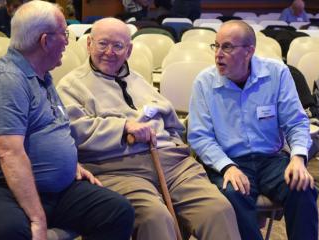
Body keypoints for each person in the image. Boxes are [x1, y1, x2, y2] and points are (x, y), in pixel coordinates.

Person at [57, 17, 241, 240]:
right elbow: (75, 131)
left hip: (172, 163)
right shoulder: (71, 85)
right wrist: (124, 127)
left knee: (217, 209)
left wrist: (171, 139)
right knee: (156, 218)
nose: (110, 52)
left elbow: (172, 121)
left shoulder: (139, 80)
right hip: (118, 168)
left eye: (118, 46)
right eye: (102, 44)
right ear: (89, 44)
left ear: (129, 50)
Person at [0, 2, 134, 240]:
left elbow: (51, 129)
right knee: (11, 232)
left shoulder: (42, 74)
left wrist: (71, 165)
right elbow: (9, 153)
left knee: (116, 211)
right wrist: (37, 217)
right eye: (64, 34)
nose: (67, 42)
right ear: (45, 41)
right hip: (0, 187)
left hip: (53, 188)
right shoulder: (8, 80)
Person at [188, 20, 318, 240]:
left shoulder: (276, 73)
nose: (218, 54)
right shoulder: (204, 82)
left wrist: (298, 158)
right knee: (232, 195)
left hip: (271, 159)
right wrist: (227, 166)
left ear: (249, 51)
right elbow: (200, 137)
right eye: (216, 46)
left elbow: (295, 122)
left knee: (303, 187)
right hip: (229, 160)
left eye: (227, 47)